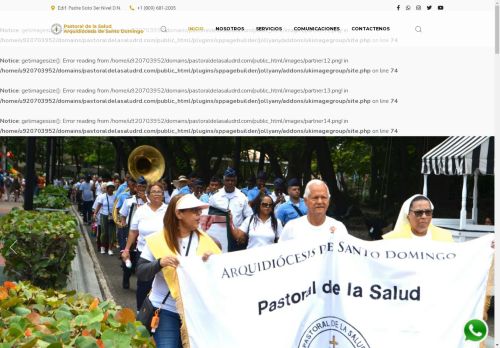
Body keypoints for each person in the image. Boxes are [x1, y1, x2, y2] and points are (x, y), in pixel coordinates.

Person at [136, 194, 221, 347]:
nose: (199, 215)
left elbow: (219, 277)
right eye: (194, 211)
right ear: (179, 214)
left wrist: (212, 262)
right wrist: (159, 263)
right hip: (165, 310)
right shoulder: (158, 239)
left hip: (195, 312)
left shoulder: (208, 242)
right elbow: (141, 272)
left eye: (199, 211)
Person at [122, 181, 168, 311]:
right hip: (143, 253)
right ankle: (140, 312)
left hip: (162, 253)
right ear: (148, 194)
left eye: (159, 192)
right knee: (143, 284)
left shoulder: (168, 210)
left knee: (159, 285)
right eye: (153, 192)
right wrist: (126, 249)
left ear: (163, 194)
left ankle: (158, 313)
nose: (157, 194)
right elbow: (133, 231)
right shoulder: (141, 210)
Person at [279, 179, 348, 241]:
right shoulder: (291, 228)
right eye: (315, 197)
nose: (320, 202)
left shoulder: (339, 227)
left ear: (329, 201)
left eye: (324, 197)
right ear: (306, 201)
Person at [207, 167, 253, 252]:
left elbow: (249, 217)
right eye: (227, 180)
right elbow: (208, 215)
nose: (230, 182)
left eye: (232, 180)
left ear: (236, 181)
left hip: (236, 236)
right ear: (223, 181)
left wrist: (242, 232)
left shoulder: (242, 197)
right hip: (219, 235)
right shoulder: (215, 197)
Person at [382, 194, 453, 241]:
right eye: (418, 213)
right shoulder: (392, 239)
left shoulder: (445, 237)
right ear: (408, 216)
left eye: (428, 212)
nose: (424, 216)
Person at [93, 181, 117, 255]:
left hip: (112, 216)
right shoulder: (102, 196)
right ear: (107, 189)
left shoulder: (115, 196)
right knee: (104, 233)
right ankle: (102, 247)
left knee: (112, 233)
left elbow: (117, 207)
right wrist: (95, 214)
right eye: (109, 188)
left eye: (112, 188)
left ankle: (110, 249)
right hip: (103, 215)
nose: (111, 189)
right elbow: (99, 206)